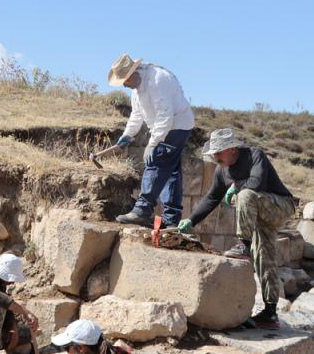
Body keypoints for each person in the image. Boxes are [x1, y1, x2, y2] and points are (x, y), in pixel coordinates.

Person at [178, 128, 296, 327]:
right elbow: (212, 198)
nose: (215, 157)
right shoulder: (221, 170)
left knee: (245, 195)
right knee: (264, 257)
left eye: (219, 152)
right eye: (213, 153)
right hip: (259, 215)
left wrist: (236, 186)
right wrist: (191, 220)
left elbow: (256, 183)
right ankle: (270, 312)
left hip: (280, 205)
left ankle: (243, 245)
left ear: (232, 149)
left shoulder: (254, 155)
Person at [107, 54, 195, 228]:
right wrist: (127, 135)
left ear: (132, 73)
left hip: (177, 124)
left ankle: (142, 210)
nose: (124, 84)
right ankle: (171, 220)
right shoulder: (136, 90)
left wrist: (153, 143)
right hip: (164, 126)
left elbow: (165, 115)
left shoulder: (158, 80)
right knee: (171, 173)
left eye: (124, 80)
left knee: (156, 160)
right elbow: (137, 115)